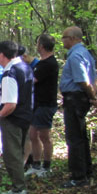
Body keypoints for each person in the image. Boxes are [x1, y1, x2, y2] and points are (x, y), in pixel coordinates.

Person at [59, 26, 97, 188]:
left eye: (65, 37)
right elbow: (93, 78)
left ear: (74, 38)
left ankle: (79, 176)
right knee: (80, 136)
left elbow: (83, 80)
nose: (63, 41)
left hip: (75, 99)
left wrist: (92, 97)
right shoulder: (85, 53)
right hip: (77, 99)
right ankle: (86, 170)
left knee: (74, 138)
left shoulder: (76, 55)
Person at [0, 40, 34, 194]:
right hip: (25, 116)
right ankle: (19, 186)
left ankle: (19, 189)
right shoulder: (25, 67)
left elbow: (10, 103)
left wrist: (0, 115)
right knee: (18, 151)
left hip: (13, 118)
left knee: (13, 154)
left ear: (2, 55)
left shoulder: (10, 72)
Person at [25, 34, 60, 178]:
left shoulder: (50, 63)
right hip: (37, 104)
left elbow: (32, 80)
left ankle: (46, 166)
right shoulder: (41, 62)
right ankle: (36, 164)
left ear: (42, 46)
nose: (37, 46)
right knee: (33, 134)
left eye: (38, 44)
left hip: (46, 104)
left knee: (44, 135)